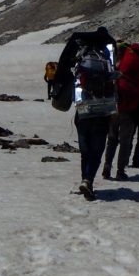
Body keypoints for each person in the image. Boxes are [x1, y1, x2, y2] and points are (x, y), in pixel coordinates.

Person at [53, 26, 117, 200]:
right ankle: (88, 180)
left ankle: (85, 179)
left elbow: (65, 70)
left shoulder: (81, 52)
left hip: (83, 107)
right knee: (97, 149)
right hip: (103, 108)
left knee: (85, 149)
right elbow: (115, 77)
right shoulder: (107, 53)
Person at [102, 42, 139, 181]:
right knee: (125, 142)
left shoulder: (116, 67)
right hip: (130, 111)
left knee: (112, 139)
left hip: (114, 109)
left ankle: (107, 167)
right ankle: (120, 171)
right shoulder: (138, 69)